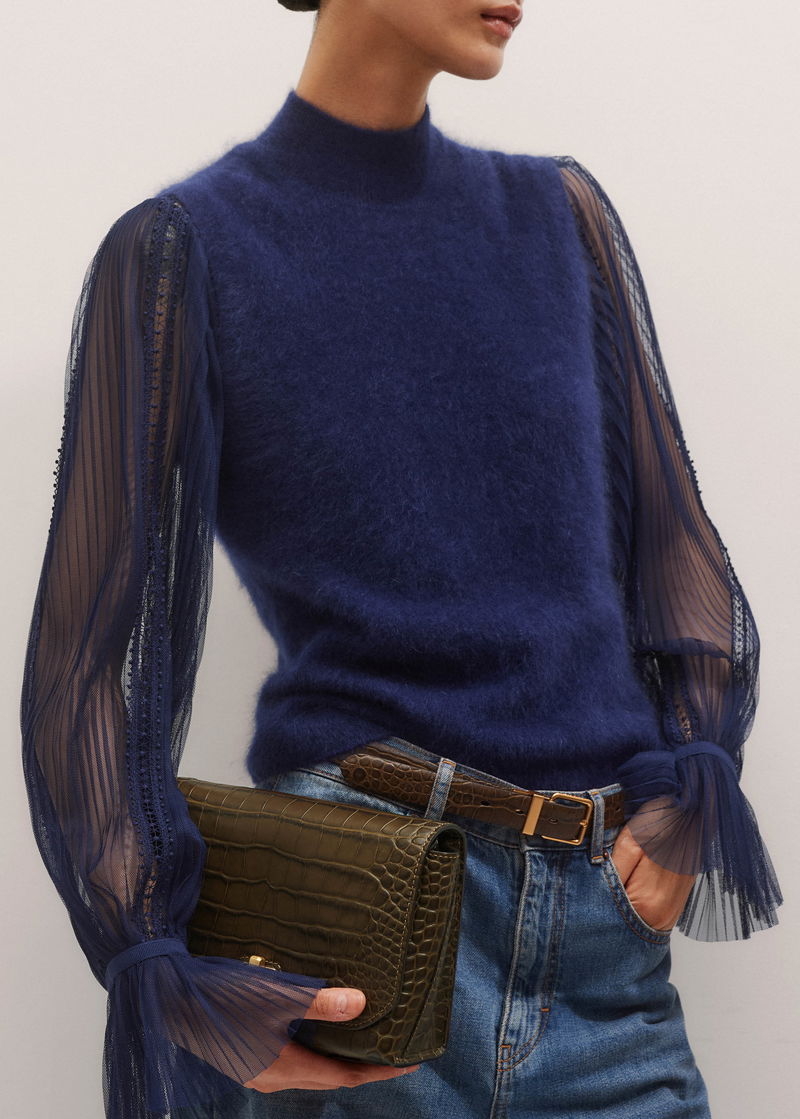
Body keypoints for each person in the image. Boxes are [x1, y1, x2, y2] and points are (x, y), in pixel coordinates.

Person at [20, 1, 783, 1117]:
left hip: (604, 954)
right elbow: (88, 654)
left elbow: (670, 541)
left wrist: (690, 780)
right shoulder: (184, 250)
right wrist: (158, 966)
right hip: (363, 948)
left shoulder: (557, 217)